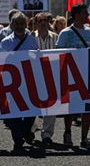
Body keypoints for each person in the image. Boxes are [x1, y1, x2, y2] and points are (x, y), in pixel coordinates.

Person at [56, 4, 90, 149]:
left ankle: (84, 138)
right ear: (76, 15)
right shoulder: (65, 33)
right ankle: (67, 133)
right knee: (70, 107)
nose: (87, 15)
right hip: (71, 75)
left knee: (88, 107)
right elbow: (59, 54)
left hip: (88, 74)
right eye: (85, 13)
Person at [0, 12, 39, 151]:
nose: (20, 26)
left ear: (26, 24)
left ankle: (25, 131)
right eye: (17, 24)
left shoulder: (32, 40)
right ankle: (18, 140)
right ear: (12, 25)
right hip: (13, 82)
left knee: (31, 109)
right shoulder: (6, 42)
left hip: (29, 80)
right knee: (15, 113)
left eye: (22, 23)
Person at [32, 12, 59, 144]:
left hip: (52, 76)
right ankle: (31, 130)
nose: (43, 23)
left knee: (51, 106)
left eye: (45, 20)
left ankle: (47, 135)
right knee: (33, 105)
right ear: (36, 23)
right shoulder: (30, 38)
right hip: (34, 76)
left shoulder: (55, 37)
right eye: (40, 21)